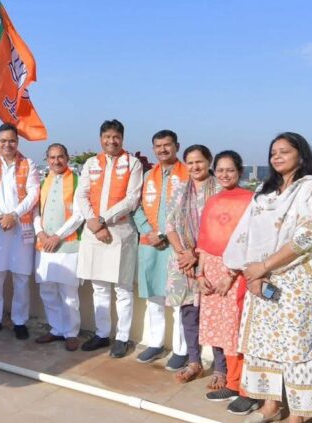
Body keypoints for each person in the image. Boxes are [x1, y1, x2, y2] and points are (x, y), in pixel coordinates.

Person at [223, 132, 312, 423]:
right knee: (264, 344)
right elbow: (246, 233)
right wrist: (251, 272)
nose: (277, 156)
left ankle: (297, 417)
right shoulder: (265, 190)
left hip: (295, 277)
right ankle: (271, 405)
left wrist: (265, 266)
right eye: (273, 152)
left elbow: (309, 234)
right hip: (260, 280)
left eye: (285, 151)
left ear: (301, 154)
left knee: (296, 347)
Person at [76, 119, 145, 357]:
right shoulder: (91, 163)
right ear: (100, 139)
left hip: (120, 232)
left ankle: (122, 338)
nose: (111, 141)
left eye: (116, 137)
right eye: (107, 136)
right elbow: (81, 195)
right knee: (99, 287)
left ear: (122, 139)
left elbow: (131, 199)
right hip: (95, 232)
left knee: (123, 289)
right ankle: (102, 334)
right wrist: (94, 224)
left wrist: (103, 219)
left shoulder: (132, 164)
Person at [194, 151, 256, 413]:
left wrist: (231, 276)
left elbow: (250, 242)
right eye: (219, 170)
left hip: (236, 273)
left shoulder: (252, 200)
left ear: (239, 171)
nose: (224, 174)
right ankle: (231, 383)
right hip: (211, 270)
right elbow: (203, 241)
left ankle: (245, 389)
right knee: (220, 332)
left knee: (236, 332)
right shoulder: (212, 201)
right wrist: (200, 274)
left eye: (229, 170)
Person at [0, 123, 40, 340]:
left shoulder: (28, 163)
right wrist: (1, 215)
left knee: (21, 276)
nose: (7, 144)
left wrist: (14, 215)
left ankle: (19, 321)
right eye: (3, 141)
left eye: (11, 140)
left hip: (21, 227)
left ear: (17, 142)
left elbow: (33, 194)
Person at [164, 145, 220, 382]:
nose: (195, 167)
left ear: (209, 161)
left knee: (214, 315)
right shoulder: (179, 190)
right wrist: (183, 254)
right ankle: (194, 362)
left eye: (199, 162)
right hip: (182, 262)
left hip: (211, 260)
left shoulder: (219, 189)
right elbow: (170, 225)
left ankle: (221, 368)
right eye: (190, 163)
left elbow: (221, 230)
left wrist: (196, 255)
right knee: (189, 314)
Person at [134, 130, 189, 367]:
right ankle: (155, 344)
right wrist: (147, 230)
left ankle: (181, 349)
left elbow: (193, 211)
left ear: (176, 146)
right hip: (150, 245)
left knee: (178, 300)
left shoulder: (188, 174)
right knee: (154, 298)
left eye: (167, 145)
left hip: (177, 246)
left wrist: (165, 234)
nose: (163, 150)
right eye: (158, 146)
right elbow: (136, 207)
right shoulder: (148, 176)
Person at [34, 143, 84, 351]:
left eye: (60, 157)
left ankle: (71, 332)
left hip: (68, 245)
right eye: (52, 157)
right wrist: (41, 233)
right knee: (47, 289)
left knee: (68, 292)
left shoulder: (77, 181)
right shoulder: (43, 181)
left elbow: (79, 215)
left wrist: (57, 236)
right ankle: (56, 329)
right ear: (47, 160)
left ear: (67, 158)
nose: (56, 161)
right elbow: (35, 211)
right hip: (44, 245)